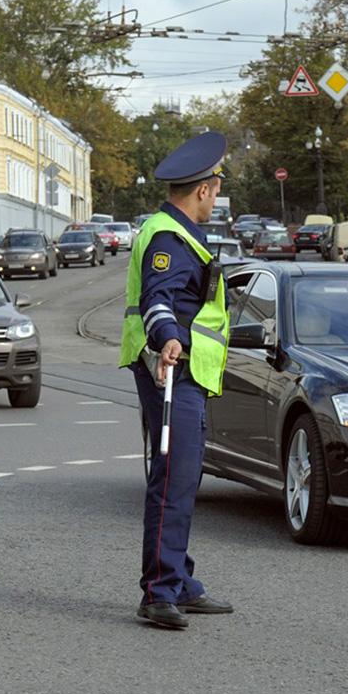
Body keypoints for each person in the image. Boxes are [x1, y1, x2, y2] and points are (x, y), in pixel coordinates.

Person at [119, 131, 234, 630]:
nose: (217, 199)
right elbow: (158, 299)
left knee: (183, 478)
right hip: (170, 369)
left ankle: (178, 581)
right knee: (173, 481)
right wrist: (167, 337)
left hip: (185, 371)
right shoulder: (168, 237)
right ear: (204, 190)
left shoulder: (179, 232)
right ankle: (159, 591)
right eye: (216, 190)